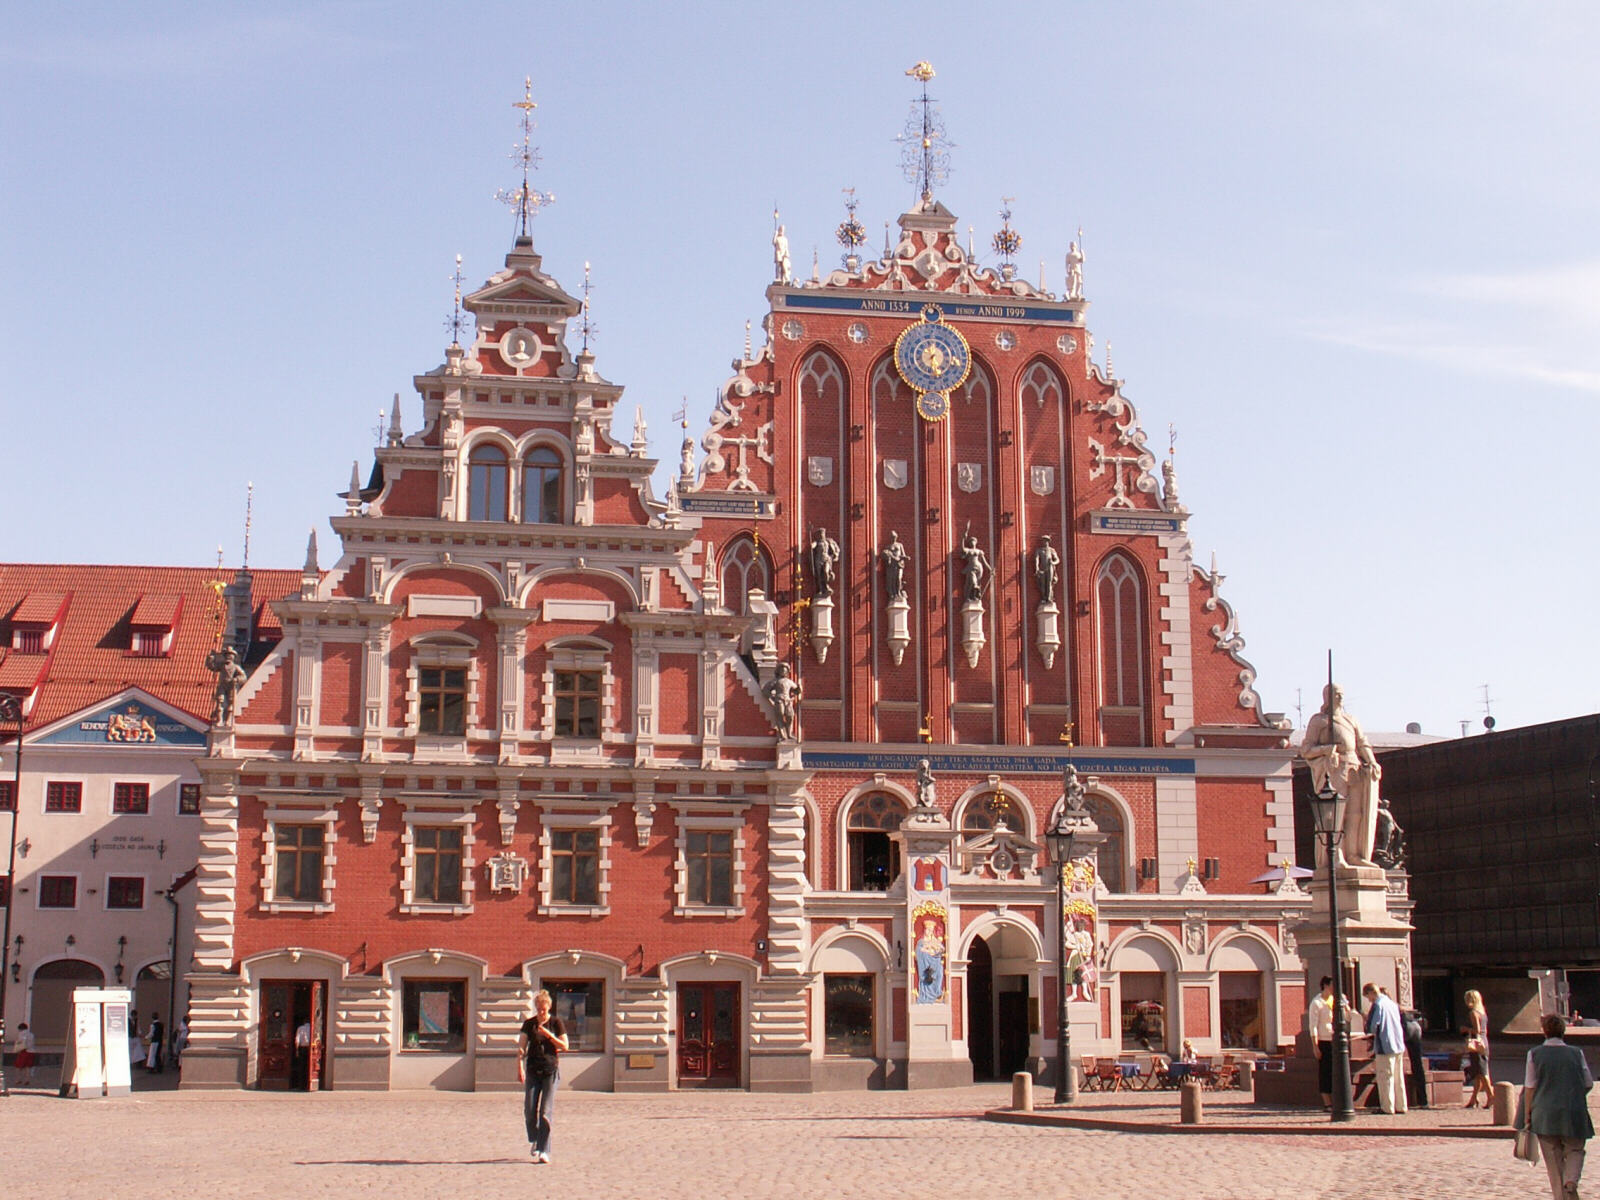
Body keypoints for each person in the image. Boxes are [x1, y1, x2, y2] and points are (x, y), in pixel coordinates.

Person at [1299, 682, 1383, 867]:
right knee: (1335, 813)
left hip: (1354, 767)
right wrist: (1328, 749)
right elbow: (1306, 750)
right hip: (1335, 768)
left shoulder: (1351, 719)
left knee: (1356, 814)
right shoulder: (1319, 721)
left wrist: (1371, 761)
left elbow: (1362, 743)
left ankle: (1354, 854)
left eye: (1341, 694)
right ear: (1327, 697)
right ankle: (1335, 856)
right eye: (1336, 694)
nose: (1340, 697)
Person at [1523, 1012, 1594, 1200]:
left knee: (1554, 1164)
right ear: (1563, 1031)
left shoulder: (1535, 1054)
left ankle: (1561, 1196)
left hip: (1544, 1113)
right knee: (1575, 1149)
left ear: (1544, 1031)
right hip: (1573, 1111)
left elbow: (1530, 1086)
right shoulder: (1576, 1053)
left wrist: (1527, 1114)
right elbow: (1588, 1082)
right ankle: (1571, 1180)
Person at [518, 988, 568, 1164]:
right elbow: (521, 1048)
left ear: (549, 1007)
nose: (541, 1011)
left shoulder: (556, 1023)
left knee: (545, 1112)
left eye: (544, 1009)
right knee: (529, 1111)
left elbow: (565, 1046)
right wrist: (520, 1068)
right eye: (538, 1008)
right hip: (532, 1070)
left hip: (550, 1071)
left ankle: (544, 1150)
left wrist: (548, 1035)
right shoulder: (529, 1024)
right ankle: (535, 1139)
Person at [1362, 983, 1407, 1114]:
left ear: (1371, 993)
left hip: (1385, 1045)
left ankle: (1387, 1107)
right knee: (1398, 1077)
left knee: (1385, 1077)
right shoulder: (1392, 1004)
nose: (1369, 1000)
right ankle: (1401, 1105)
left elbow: (1372, 1026)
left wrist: (1367, 1026)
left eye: (1367, 996)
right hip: (1398, 1044)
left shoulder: (1378, 1005)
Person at [1307, 976, 1349, 1111]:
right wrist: (1315, 1046)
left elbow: (1348, 1018)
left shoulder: (1336, 999)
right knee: (1325, 1071)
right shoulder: (1317, 1002)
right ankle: (1327, 1103)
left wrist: (1346, 1005)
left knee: (1338, 1070)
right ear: (1325, 985)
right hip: (1324, 1041)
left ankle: (1340, 1100)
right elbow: (1313, 1025)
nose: (1334, 989)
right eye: (1332, 985)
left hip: (1337, 1039)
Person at [1464, 988, 1494, 1108]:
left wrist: (1466, 1030)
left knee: (1482, 1072)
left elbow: (1476, 1030)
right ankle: (1474, 1099)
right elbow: (1484, 1030)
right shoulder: (1483, 1012)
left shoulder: (1473, 1013)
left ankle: (1491, 1096)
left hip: (1477, 1045)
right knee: (1477, 1073)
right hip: (1484, 1042)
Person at [1402, 1007, 1429, 1108]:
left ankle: (1420, 1099)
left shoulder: (1384, 1006)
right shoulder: (1399, 1008)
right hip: (1415, 1030)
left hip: (1405, 1031)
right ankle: (1423, 1100)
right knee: (1418, 1066)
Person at [880, 532, 908, 602]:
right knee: (891, 580)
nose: (893, 538)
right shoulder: (888, 547)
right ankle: (893, 594)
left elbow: (903, 554)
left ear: (896, 537)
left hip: (899, 564)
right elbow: (884, 556)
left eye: (894, 537)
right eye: (892, 537)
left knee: (898, 578)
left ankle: (898, 593)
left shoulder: (899, 545)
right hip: (891, 565)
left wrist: (905, 558)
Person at [12, 1021, 35, 1086]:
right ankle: (27, 1080)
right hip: (31, 1051)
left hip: (24, 1051)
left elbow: (20, 1041)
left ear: (20, 1028)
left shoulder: (21, 1034)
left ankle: (18, 1079)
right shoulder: (31, 1034)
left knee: (18, 1066)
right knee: (28, 1067)